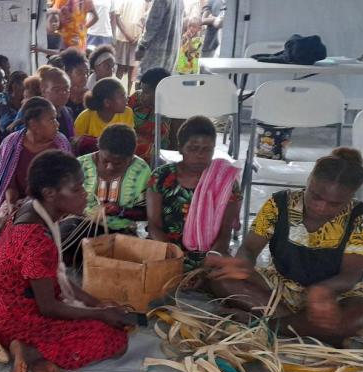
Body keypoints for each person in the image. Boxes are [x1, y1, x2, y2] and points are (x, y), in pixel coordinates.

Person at [208, 148, 363, 350]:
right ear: (309, 180)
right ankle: (311, 329)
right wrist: (243, 264)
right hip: (280, 288)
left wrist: (323, 290)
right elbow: (250, 248)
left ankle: (266, 324)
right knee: (222, 279)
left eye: (334, 204)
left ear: (351, 198)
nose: (321, 207)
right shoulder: (279, 204)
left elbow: (351, 274)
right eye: (315, 196)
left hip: (334, 297)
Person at [0, 149, 131, 372]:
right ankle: (31, 351)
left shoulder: (29, 209)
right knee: (115, 340)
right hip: (18, 318)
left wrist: (95, 302)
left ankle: (19, 345)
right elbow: (48, 307)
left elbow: (52, 277)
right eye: (76, 189)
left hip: (0, 309)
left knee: (102, 316)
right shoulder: (38, 242)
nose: (85, 194)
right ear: (50, 194)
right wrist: (101, 313)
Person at [0, 97, 73, 232]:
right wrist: (12, 205)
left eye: (56, 119)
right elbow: (9, 184)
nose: (57, 124)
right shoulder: (12, 143)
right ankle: (0, 226)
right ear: (34, 124)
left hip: (49, 200)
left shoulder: (61, 143)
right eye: (51, 120)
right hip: (18, 199)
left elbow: (66, 183)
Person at [147, 116, 240, 271]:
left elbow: (225, 233)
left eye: (207, 149)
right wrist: (175, 258)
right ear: (180, 148)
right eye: (193, 148)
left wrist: (209, 262)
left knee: (230, 280)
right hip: (166, 250)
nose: (200, 155)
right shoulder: (161, 177)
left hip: (209, 255)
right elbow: (153, 226)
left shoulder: (224, 182)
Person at [59, 124, 150, 265]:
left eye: (118, 163)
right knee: (67, 235)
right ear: (99, 148)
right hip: (80, 225)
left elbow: (145, 212)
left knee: (123, 258)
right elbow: (62, 202)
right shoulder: (80, 165)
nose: (110, 167)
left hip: (121, 232)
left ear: (131, 157)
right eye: (105, 160)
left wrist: (121, 211)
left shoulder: (141, 170)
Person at [74, 78, 134, 156]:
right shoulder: (85, 117)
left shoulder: (127, 113)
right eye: (122, 96)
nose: (126, 99)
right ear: (107, 102)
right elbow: (77, 145)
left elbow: (128, 143)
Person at [128, 67, 172, 162]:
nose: (142, 95)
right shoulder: (135, 99)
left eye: (146, 92)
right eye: (142, 90)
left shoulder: (171, 111)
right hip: (129, 145)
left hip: (156, 155)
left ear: (162, 92)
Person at [111, 0, 149, 93]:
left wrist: (140, 36)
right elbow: (116, 17)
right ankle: (116, 91)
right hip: (122, 38)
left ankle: (128, 95)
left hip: (137, 39)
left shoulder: (145, 2)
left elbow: (146, 20)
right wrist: (128, 35)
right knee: (120, 67)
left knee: (133, 68)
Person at [136, 0, 183, 74]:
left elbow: (152, 26)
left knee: (149, 82)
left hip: (156, 54)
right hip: (171, 53)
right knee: (165, 82)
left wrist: (141, 46)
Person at [0, 71, 28, 150]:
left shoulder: (31, 102)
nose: (27, 90)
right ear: (14, 87)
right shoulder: (0, 99)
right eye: (25, 86)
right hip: (5, 147)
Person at [58, 48, 90, 119]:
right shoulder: (60, 97)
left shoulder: (90, 97)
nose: (85, 76)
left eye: (87, 72)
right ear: (68, 73)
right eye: (80, 72)